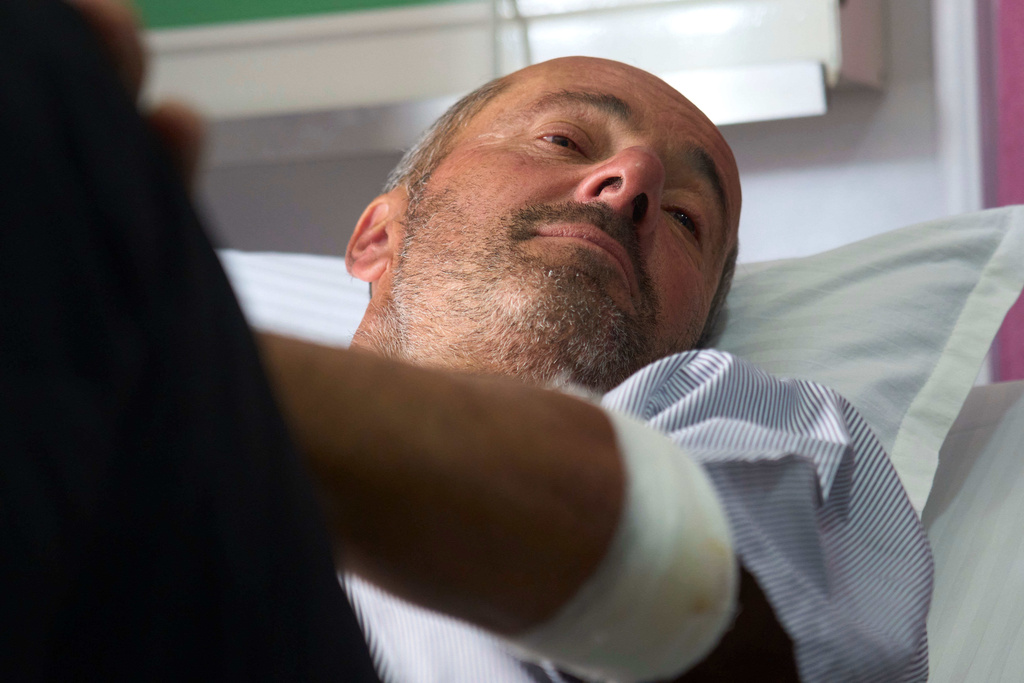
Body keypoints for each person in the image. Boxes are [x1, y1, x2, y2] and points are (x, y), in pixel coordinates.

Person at [2, 1, 932, 681]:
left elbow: (728, 625)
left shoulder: (749, 421)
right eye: (567, 140)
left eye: (688, 218)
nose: (634, 178)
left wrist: (156, 339)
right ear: (377, 238)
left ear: (697, 318)